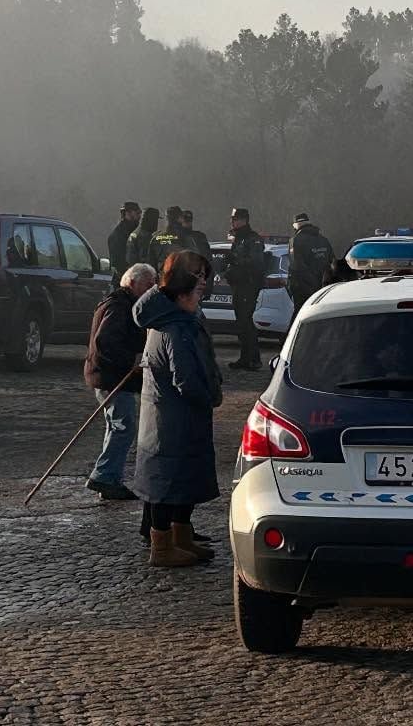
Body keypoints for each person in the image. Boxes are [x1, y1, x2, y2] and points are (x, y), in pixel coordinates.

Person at [131, 250, 223, 568]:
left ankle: (181, 537)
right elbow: (185, 379)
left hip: (178, 418)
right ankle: (163, 547)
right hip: (172, 420)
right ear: (182, 290)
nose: (203, 287)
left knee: (184, 480)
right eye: (198, 282)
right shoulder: (174, 329)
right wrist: (208, 396)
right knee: (166, 484)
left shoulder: (181, 320)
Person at [83, 263, 158, 501]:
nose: (151, 289)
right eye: (148, 284)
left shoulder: (124, 304)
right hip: (112, 377)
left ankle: (108, 476)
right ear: (133, 283)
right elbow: (105, 342)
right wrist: (132, 360)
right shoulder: (118, 307)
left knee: (118, 426)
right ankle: (104, 476)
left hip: (111, 376)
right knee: (123, 428)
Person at [225, 207, 266, 370]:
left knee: (246, 321)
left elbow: (256, 263)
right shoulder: (239, 238)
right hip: (239, 285)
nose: (232, 222)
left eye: (235, 219)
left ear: (244, 220)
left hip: (248, 285)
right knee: (241, 322)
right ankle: (245, 358)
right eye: (232, 219)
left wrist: (235, 259)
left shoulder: (252, 238)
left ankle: (254, 359)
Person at [287, 213, 334, 315]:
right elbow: (332, 262)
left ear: (296, 225)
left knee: (301, 314)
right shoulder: (323, 240)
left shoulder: (295, 240)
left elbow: (297, 266)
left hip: (303, 288)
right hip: (322, 288)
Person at [148, 206, 192, 273]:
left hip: (162, 277)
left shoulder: (156, 238)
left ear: (167, 219)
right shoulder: (186, 237)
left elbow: (150, 262)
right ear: (180, 218)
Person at [107, 201, 142, 281]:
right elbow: (118, 263)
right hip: (125, 279)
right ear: (128, 213)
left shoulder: (132, 231)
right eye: (137, 213)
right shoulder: (119, 234)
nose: (139, 216)